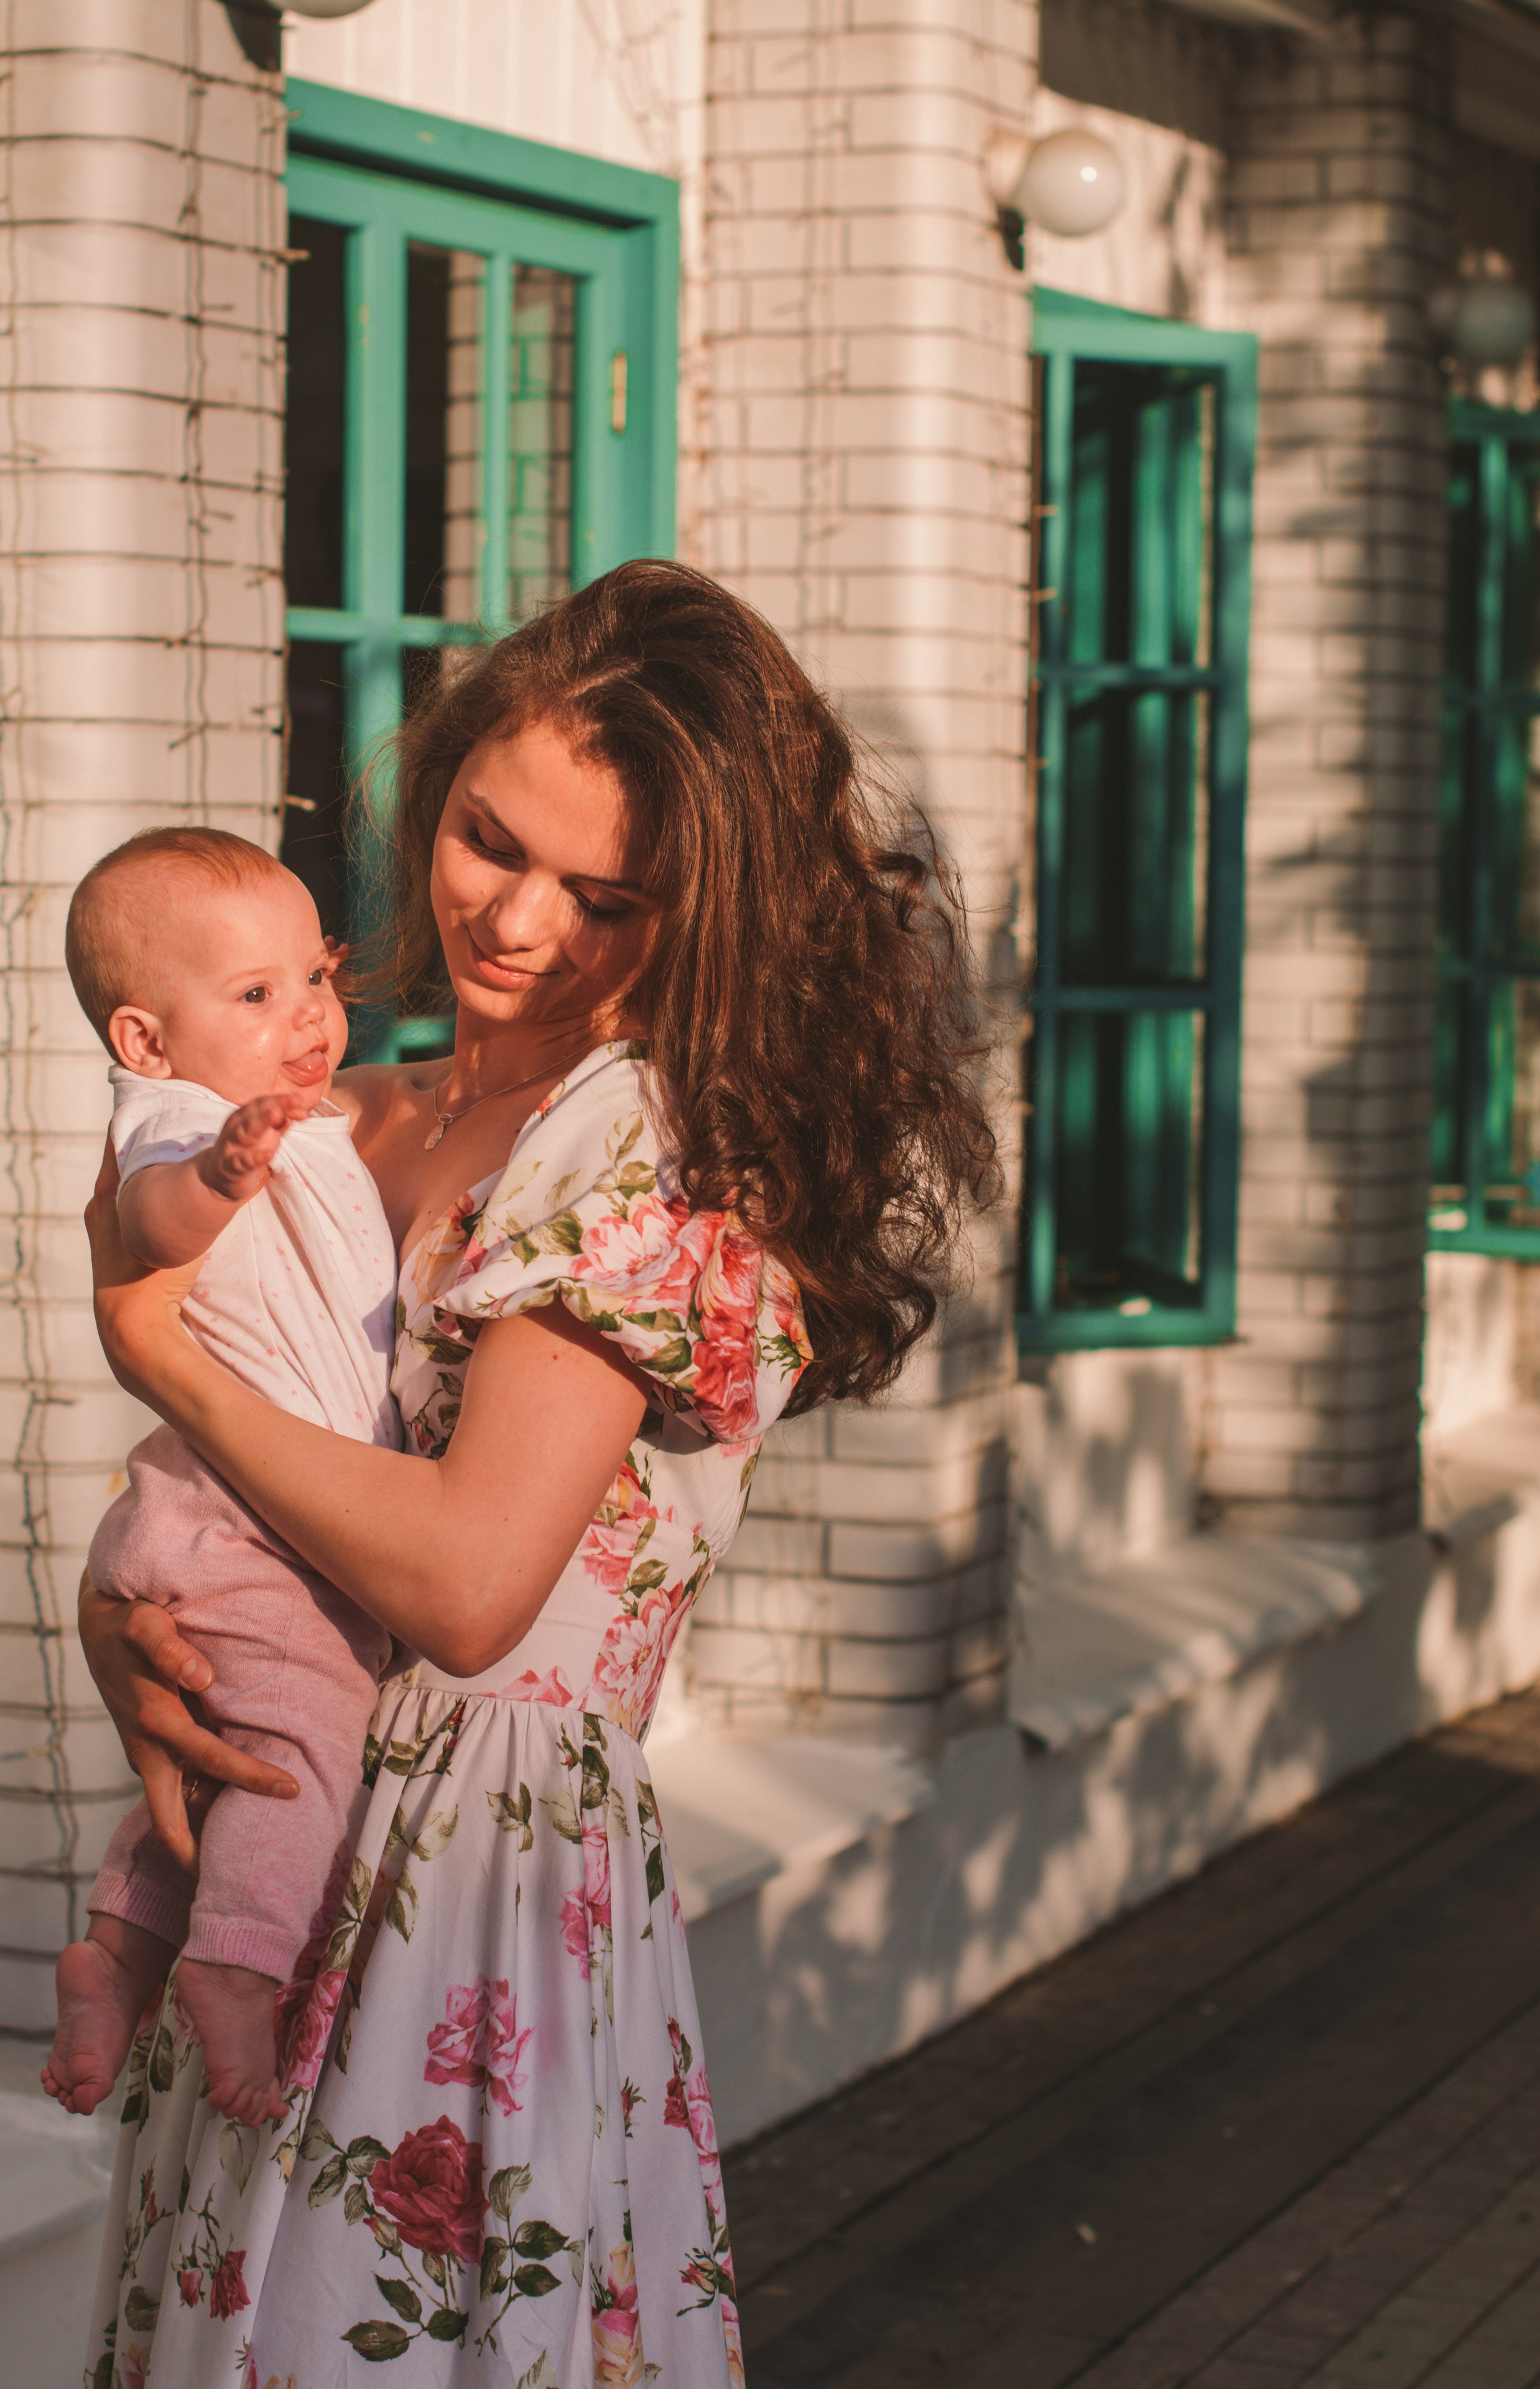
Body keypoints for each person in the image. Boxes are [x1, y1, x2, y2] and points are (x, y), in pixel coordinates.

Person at [75, 560, 998, 2388]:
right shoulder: (345, 1117)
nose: (520, 920)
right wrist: (123, 1630)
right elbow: (225, 1485)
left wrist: (156, 1347)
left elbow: (471, 1590)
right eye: (492, 840)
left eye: (608, 894)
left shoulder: (648, 1150)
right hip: (286, 1820)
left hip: (466, 1884)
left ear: (700, 910)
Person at [45, 829, 399, 2130]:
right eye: (255, 996)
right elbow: (149, 1226)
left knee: (223, 1750)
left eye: (314, 975)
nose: (307, 1014)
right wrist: (218, 1173)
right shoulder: (179, 1118)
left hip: (215, 1514)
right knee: (299, 1742)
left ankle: (116, 1950)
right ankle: (238, 1965)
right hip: (242, 1525)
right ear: (146, 1040)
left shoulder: (295, 1112)